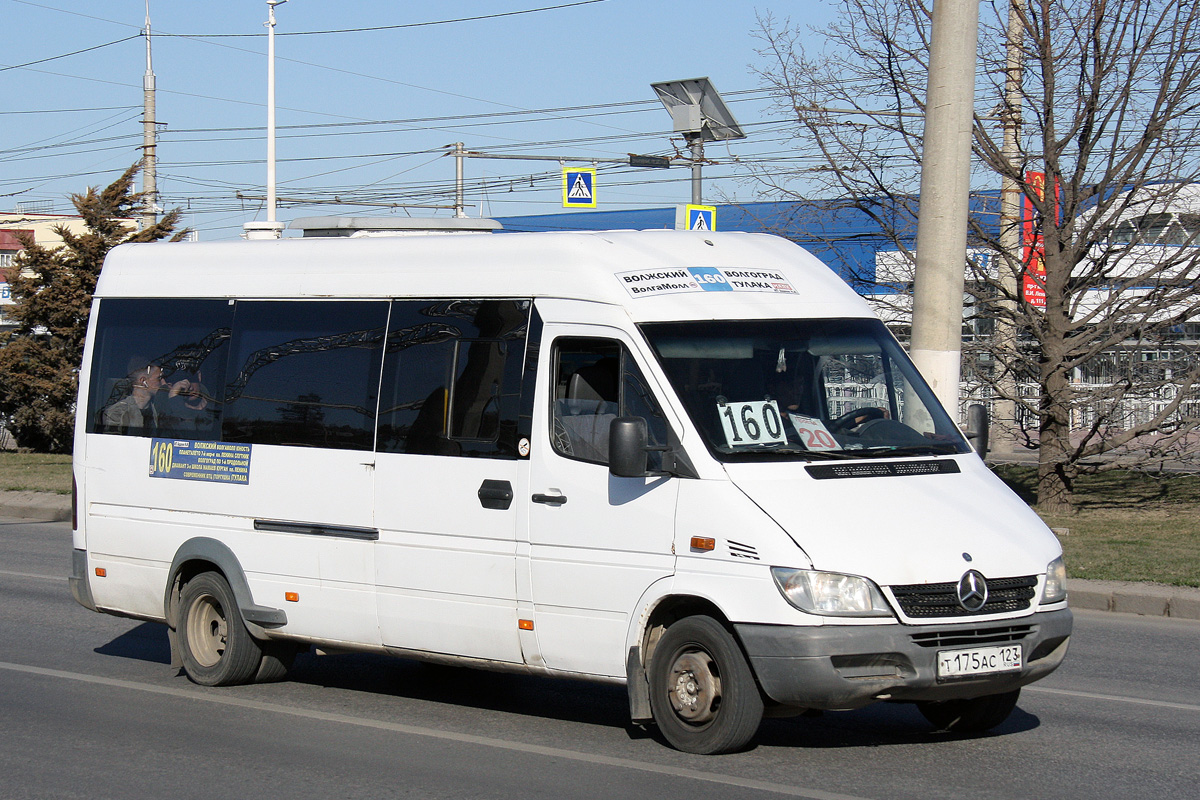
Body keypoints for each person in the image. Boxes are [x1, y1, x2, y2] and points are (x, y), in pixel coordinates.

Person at [102, 358, 165, 435]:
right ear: (143, 381)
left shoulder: (158, 411)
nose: (163, 382)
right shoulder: (118, 412)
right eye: (159, 378)